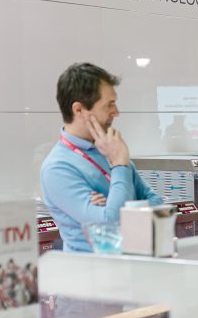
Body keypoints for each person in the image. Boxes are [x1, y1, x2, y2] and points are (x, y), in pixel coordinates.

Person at [40, 62, 162, 253]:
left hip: (133, 263)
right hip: (91, 268)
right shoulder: (57, 168)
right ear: (79, 110)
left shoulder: (108, 150)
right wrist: (120, 165)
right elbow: (111, 225)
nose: (117, 112)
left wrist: (116, 206)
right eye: (109, 104)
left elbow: (157, 203)